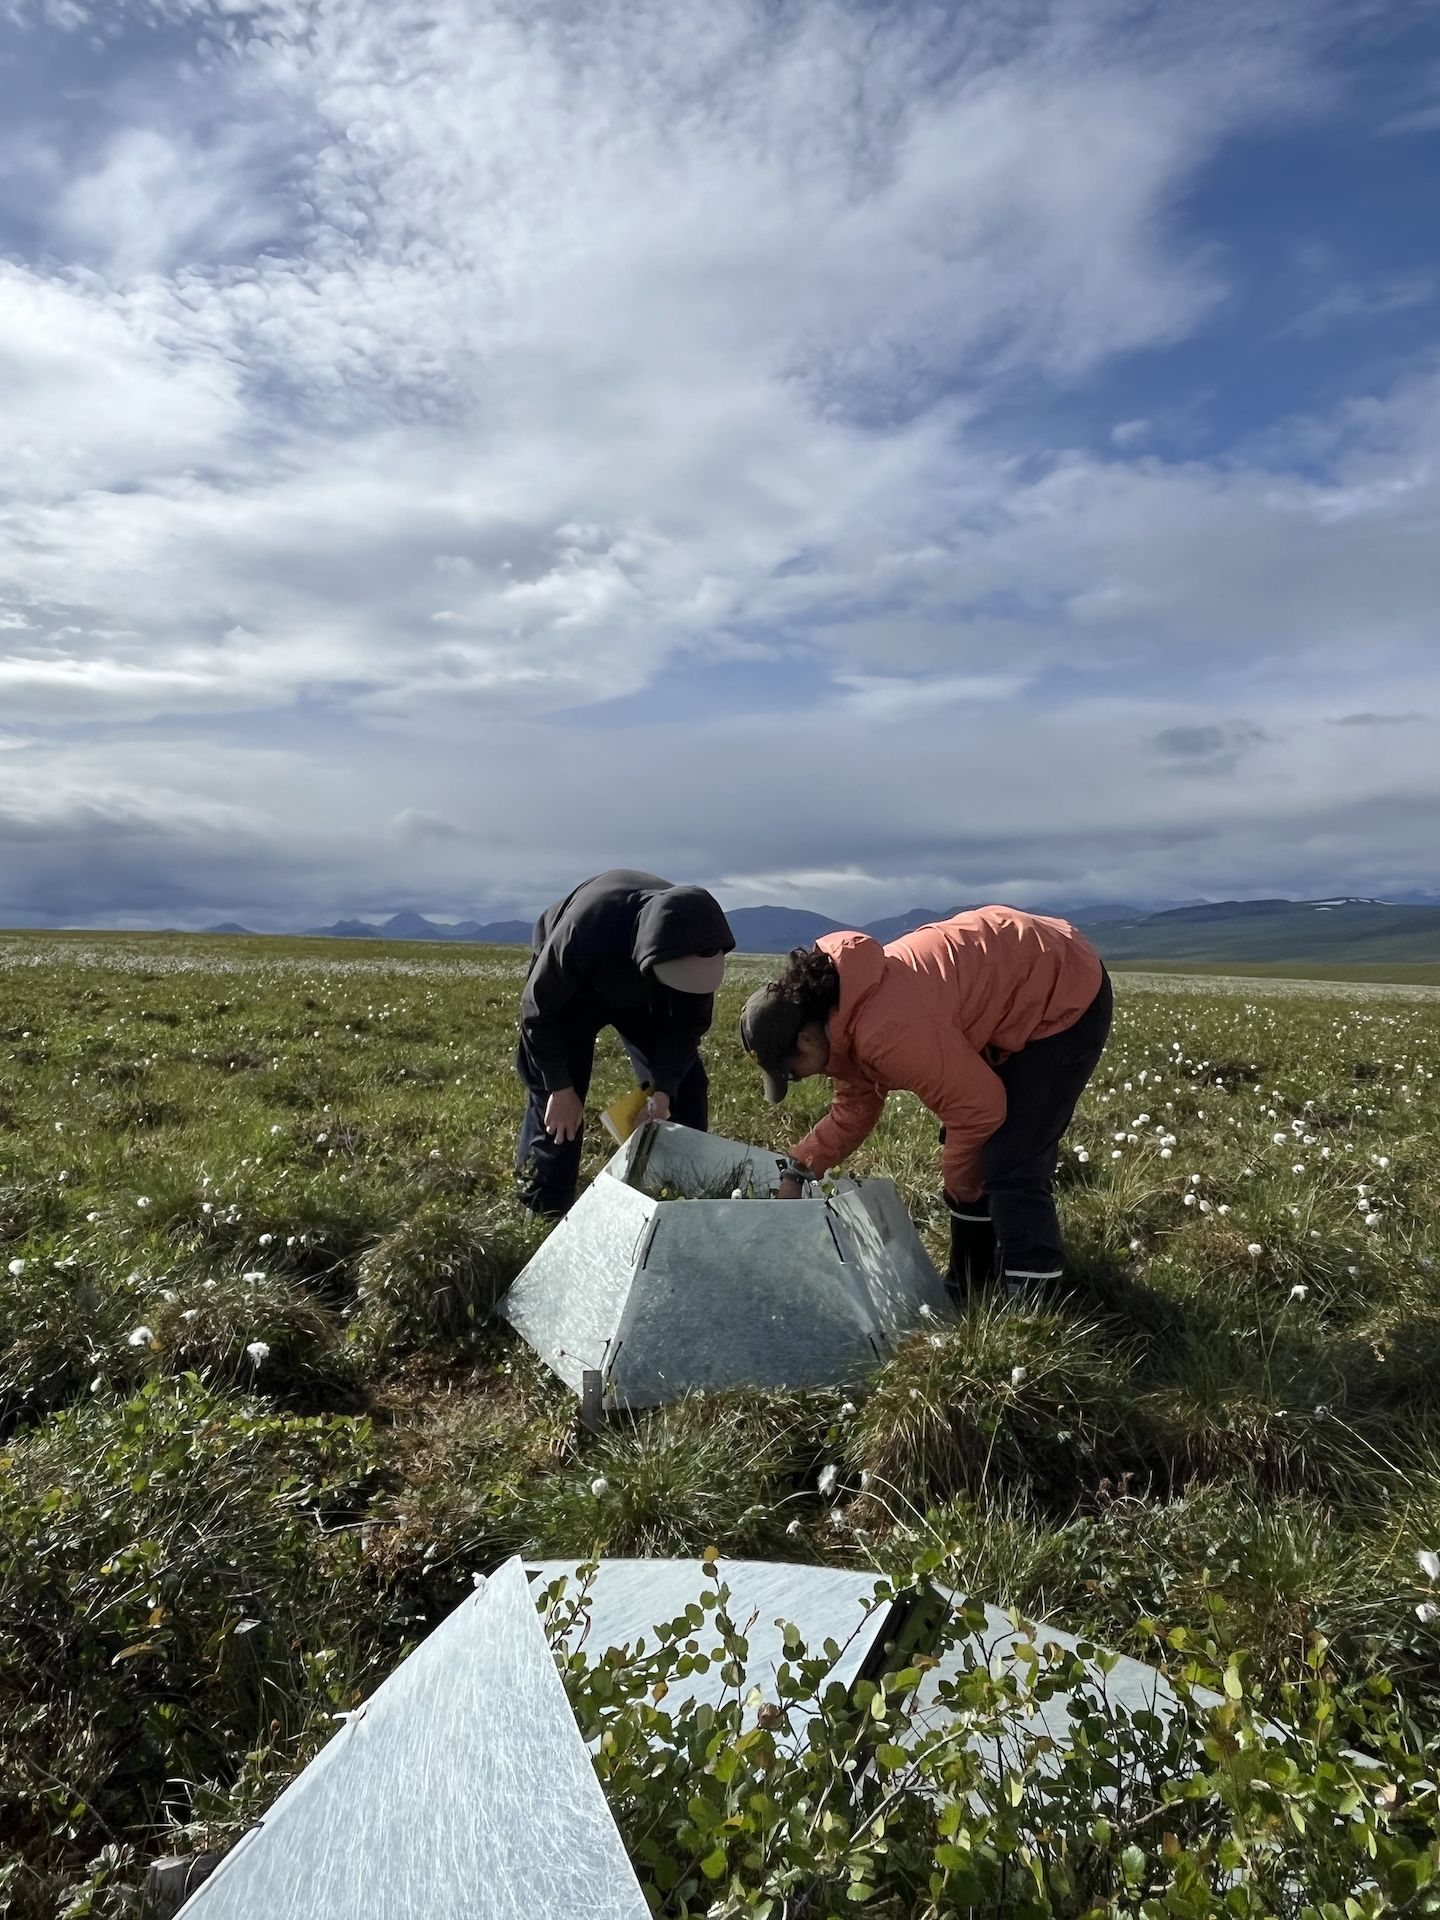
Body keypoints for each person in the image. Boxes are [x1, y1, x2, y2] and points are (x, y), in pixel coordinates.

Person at [738, 907, 1111, 1296]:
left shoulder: (884, 1031)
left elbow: (981, 1110)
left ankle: (1032, 1300)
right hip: (1013, 983)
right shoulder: (840, 1013)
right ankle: (972, 1283)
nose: (801, 1080)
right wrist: (800, 1168)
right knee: (972, 1154)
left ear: (806, 1040)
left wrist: (959, 1182)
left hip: (1062, 985)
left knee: (1009, 1156)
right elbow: (856, 1105)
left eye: (792, 1073)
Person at [515, 870, 736, 1217]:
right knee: (559, 1109)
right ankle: (544, 1204)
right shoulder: (585, 927)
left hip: (645, 995)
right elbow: (538, 1013)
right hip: (572, 993)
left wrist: (664, 1090)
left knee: (686, 1088)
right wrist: (559, 1086)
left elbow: (685, 1030)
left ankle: (681, 1193)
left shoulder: (699, 942)